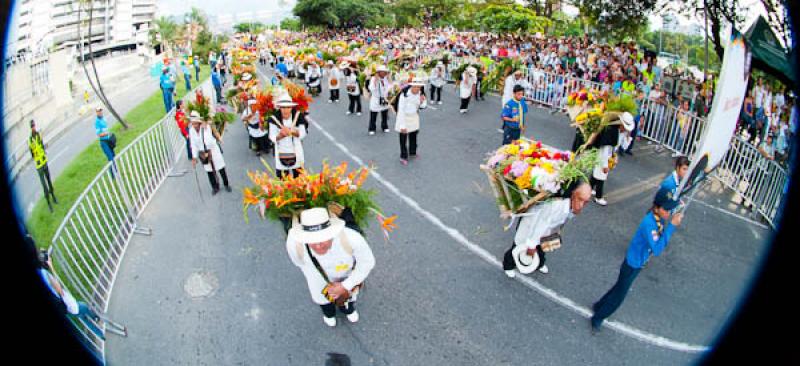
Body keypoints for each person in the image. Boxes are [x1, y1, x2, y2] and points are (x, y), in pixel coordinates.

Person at [590, 188, 683, 333]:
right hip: (633, 263)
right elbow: (657, 249)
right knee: (619, 297)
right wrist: (672, 226)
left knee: (618, 288)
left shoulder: (656, 218)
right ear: (657, 208)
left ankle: (599, 306)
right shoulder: (650, 224)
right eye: (666, 209)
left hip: (638, 262)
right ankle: (598, 317)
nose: (669, 213)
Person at [285, 207, 376, 327]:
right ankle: (329, 314)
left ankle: (348, 310)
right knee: (323, 301)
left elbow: (367, 262)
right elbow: (298, 262)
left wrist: (345, 285)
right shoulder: (294, 243)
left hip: (347, 278)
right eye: (311, 240)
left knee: (348, 299)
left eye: (323, 239)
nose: (318, 246)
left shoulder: (352, 238)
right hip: (317, 282)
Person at [503, 181, 593, 277]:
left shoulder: (569, 204)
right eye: (580, 199)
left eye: (586, 202)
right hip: (531, 226)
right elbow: (540, 224)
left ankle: (539, 264)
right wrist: (531, 245)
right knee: (518, 246)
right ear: (573, 194)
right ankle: (508, 265)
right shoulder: (556, 206)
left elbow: (564, 218)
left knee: (542, 248)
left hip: (547, 230)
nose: (582, 205)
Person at [38, 247, 127, 341]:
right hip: (74, 305)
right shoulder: (46, 275)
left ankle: (100, 335)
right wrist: (52, 267)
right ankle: (98, 319)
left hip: (71, 310)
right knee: (87, 309)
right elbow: (59, 290)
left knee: (84, 319)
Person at [590, 112, 634, 206]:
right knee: (602, 174)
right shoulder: (611, 130)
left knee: (597, 172)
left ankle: (589, 188)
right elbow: (605, 149)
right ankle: (598, 197)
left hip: (610, 154)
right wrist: (605, 165)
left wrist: (628, 137)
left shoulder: (624, 132)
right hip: (602, 152)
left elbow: (625, 147)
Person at [189, 112, 231, 195]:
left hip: (213, 150)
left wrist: (207, 151)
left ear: (199, 122)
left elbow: (209, 141)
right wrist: (194, 157)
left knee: (220, 168)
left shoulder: (206, 127)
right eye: (193, 123)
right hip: (204, 154)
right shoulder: (191, 130)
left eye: (196, 123)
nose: (194, 125)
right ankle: (215, 187)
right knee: (209, 171)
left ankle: (226, 184)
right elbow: (193, 144)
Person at [269, 94, 308, 179]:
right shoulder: (274, 119)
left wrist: (294, 133)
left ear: (291, 107)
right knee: (282, 180)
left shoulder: (298, 116)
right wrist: (281, 135)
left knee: (299, 180)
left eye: (288, 107)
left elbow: (303, 133)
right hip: (280, 153)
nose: (286, 110)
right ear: (279, 107)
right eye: (283, 107)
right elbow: (272, 136)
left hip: (297, 152)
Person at [395, 77, 427, 165]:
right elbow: (400, 110)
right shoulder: (404, 95)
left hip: (414, 117)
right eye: (415, 86)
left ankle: (413, 152)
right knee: (403, 138)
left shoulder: (421, 93)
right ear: (411, 86)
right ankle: (403, 156)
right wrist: (402, 126)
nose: (417, 88)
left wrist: (422, 102)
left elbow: (423, 106)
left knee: (413, 136)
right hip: (404, 117)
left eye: (419, 86)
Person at [29, 120, 57, 212]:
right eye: (32, 126)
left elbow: (42, 145)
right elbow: (32, 154)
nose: (33, 127)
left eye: (34, 126)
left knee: (49, 180)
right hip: (39, 165)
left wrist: (44, 150)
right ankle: (49, 203)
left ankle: (53, 196)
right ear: (30, 128)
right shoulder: (30, 140)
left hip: (44, 161)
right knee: (44, 186)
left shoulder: (38, 135)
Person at [368, 65, 392, 135]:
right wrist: (376, 80)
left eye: (385, 72)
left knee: (384, 114)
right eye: (383, 72)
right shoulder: (373, 79)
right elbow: (371, 88)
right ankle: (372, 128)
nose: (384, 73)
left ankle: (384, 126)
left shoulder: (386, 79)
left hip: (384, 99)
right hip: (376, 99)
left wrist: (389, 79)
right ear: (378, 72)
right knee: (373, 115)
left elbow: (391, 88)